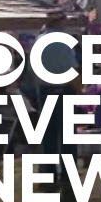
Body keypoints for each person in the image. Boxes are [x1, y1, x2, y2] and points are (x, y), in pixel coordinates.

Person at [34, 11, 80, 191]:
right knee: (67, 136)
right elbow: (72, 70)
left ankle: (50, 175)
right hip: (63, 90)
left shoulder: (39, 40)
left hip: (45, 91)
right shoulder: (63, 41)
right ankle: (68, 176)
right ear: (59, 22)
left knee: (49, 137)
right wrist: (79, 91)